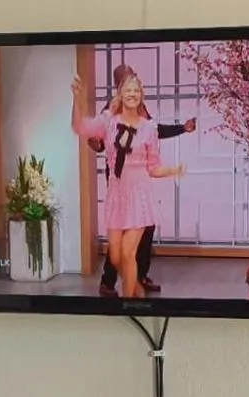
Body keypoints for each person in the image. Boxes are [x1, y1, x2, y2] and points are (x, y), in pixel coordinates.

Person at [71, 72, 186, 298]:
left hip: (140, 196)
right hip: (116, 195)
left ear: (141, 95)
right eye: (128, 90)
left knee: (128, 251)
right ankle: (137, 291)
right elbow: (80, 128)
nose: (132, 94)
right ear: (120, 94)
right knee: (115, 256)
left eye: (136, 90)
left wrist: (174, 170)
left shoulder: (149, 128)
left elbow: (153, 168)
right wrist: (77, 99)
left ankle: (128, 302)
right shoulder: (108, 122)